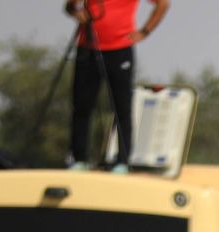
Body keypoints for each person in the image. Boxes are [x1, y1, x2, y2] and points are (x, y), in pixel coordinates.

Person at [63, 0, 169, 173]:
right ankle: (79, 159)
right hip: (87, 46)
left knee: (122, 107)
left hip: (119, 48)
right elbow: (70, 7)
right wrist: (76, 12)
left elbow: (163, 4)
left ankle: (123, 161)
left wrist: (145, 31)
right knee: (81, 105)